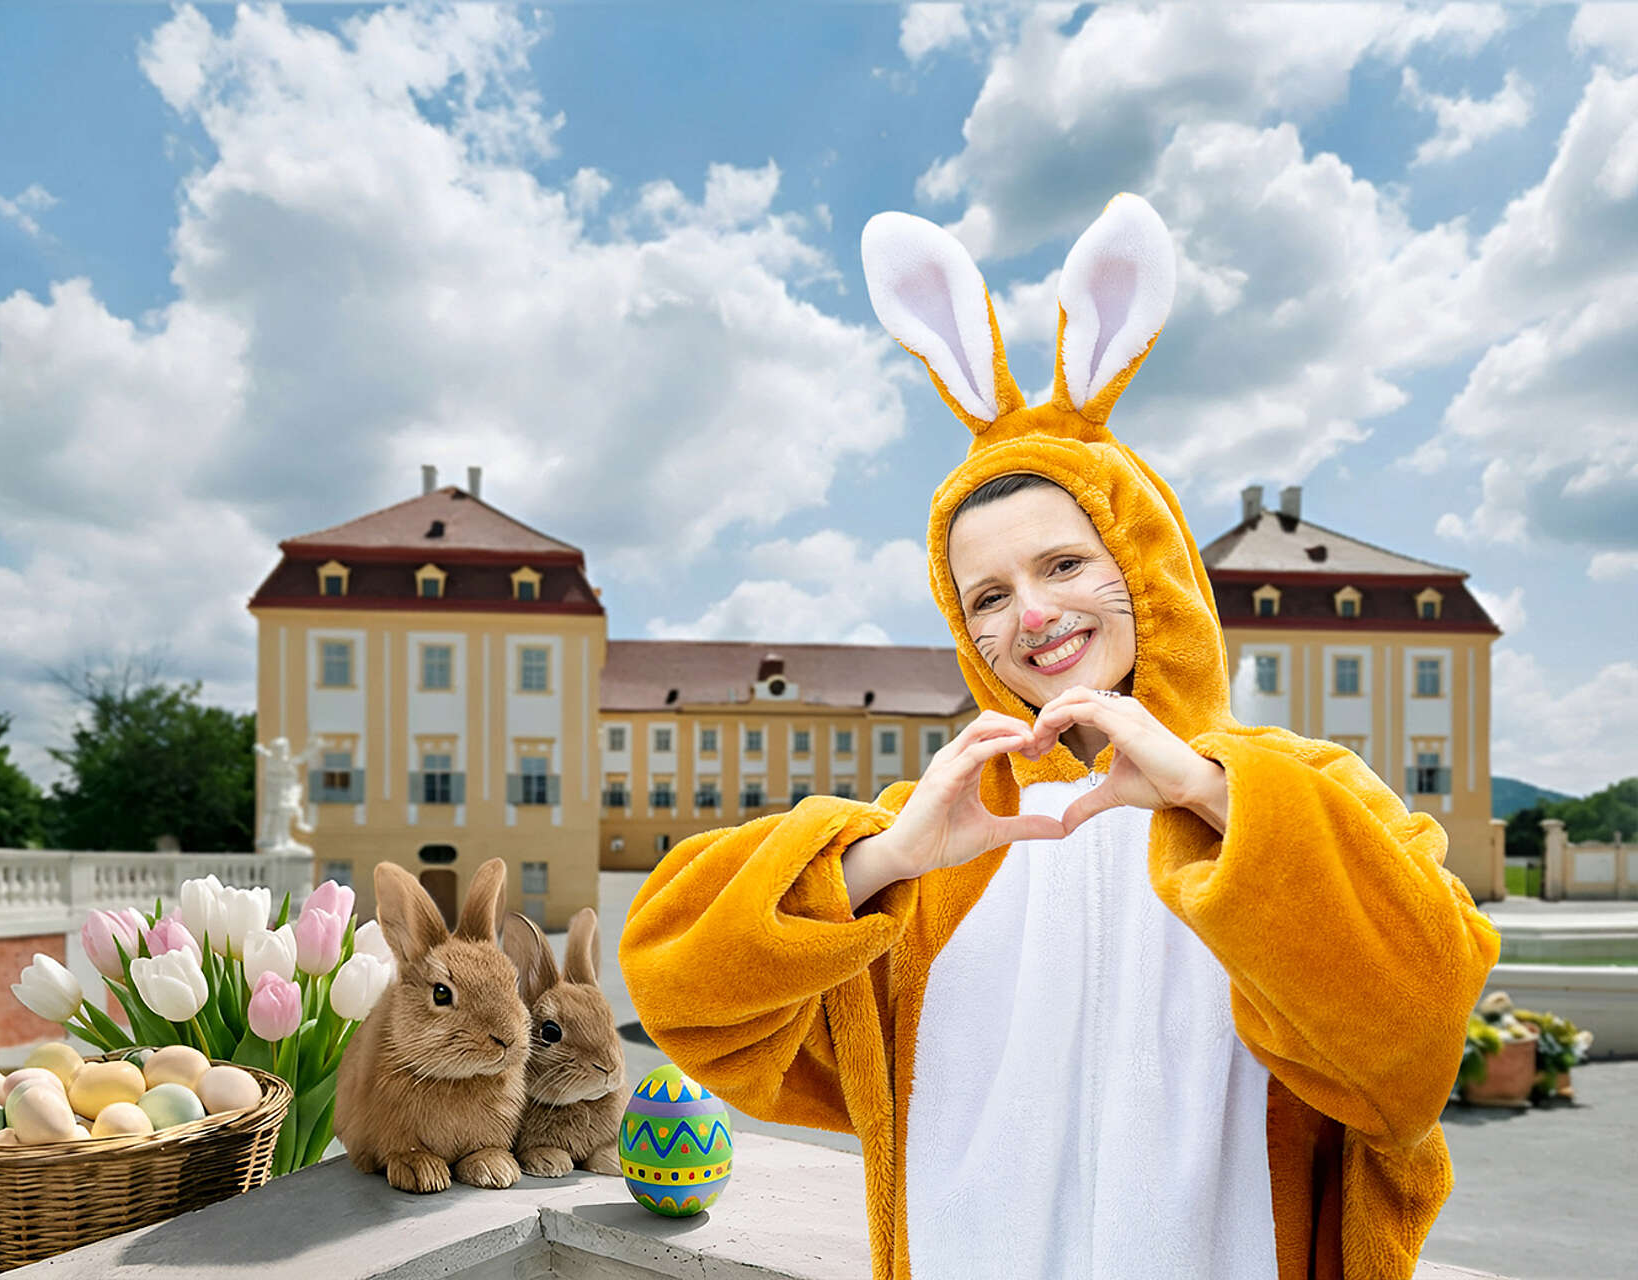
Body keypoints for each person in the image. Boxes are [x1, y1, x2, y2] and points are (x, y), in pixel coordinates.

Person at [616, 194, 1500, 1280]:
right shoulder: (941, 836)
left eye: (1065, 564)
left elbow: (1413, 1046)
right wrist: (884, 859)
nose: (1030, 613)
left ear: (1147, 568)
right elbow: (674, 984)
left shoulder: (1298, 797)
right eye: (986, 593)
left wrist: (1211, 791)